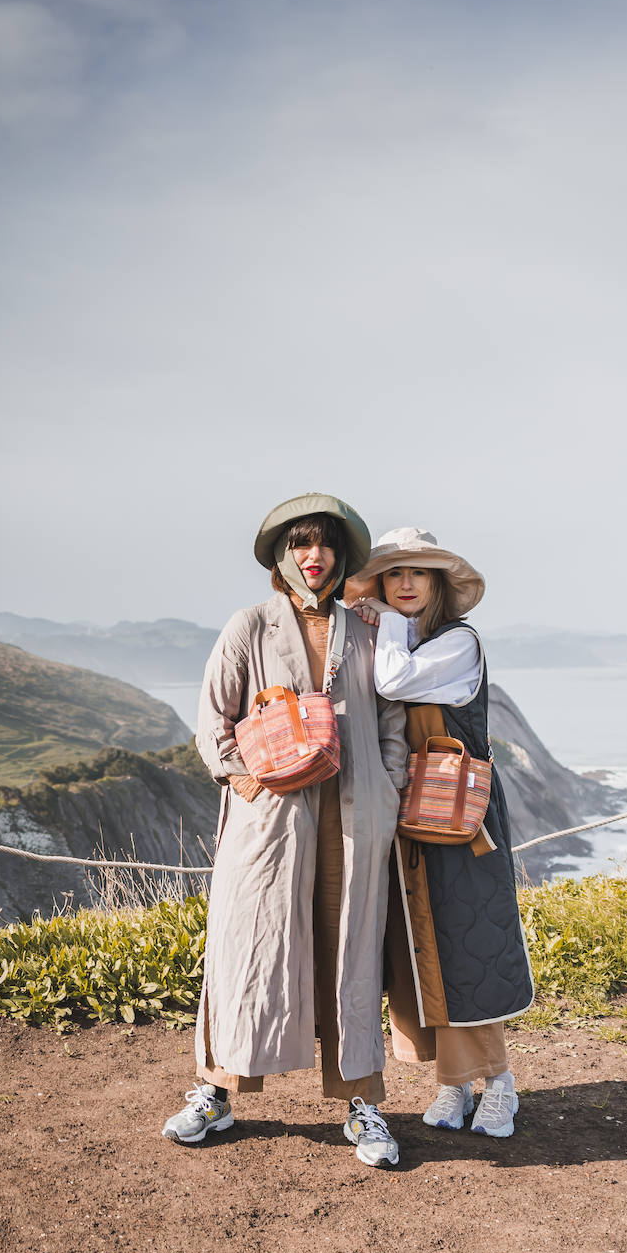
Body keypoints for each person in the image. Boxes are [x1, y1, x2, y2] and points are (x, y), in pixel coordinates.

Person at [163, 494, 408, 1167]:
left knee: (350, 954)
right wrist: (246, 784)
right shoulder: (250, 626)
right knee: (247, 948)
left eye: (327, 544)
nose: (315, 555)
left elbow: (390, 722)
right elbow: (213, 722)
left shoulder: (368, 629)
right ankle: (216, 1093)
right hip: (271, 823)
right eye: (302, 543)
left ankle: (363, 1106)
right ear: (282, 555)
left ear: (342, 556)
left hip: (353, 820)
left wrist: (386, 790)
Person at [350, 527, 534, 1136]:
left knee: (471, 944)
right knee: (427, 950)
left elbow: (392, 683)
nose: (404, 584)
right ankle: (455, 1084)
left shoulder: (457, 644)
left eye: (417, 574)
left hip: (462, 816)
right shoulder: (408, 641)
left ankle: (499, 1083)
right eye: (392, 575)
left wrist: (382, 618)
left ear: (437, 585)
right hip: (414, 816)